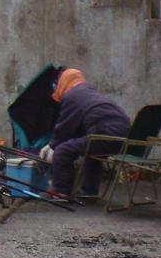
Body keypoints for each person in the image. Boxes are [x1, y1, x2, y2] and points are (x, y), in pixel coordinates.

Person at [39, 68, 130, 197]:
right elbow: (79, 125)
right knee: (92, 151)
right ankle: (89, 192)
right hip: (121, 133)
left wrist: (52, 145)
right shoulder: (87, 91)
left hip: (107, 132)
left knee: (63, 150)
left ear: (63, 82)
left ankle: (61, 192)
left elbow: (65, 126)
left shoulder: (72, 96)